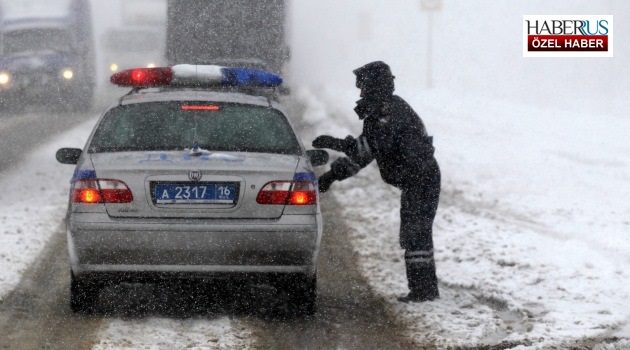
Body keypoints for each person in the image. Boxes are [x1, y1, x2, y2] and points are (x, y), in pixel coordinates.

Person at [312, 61, 441, 302]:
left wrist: (336, 150)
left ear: (375, 86)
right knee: (415, 233)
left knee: (416, 234)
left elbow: (367, 149)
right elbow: (365, 151)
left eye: (363, 88)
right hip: (417, 180)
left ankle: (424, 291)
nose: (360, 93)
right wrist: (331, 175)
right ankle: (424, 288)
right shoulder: (382, 110)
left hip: (422, 180)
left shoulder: (388, 113)